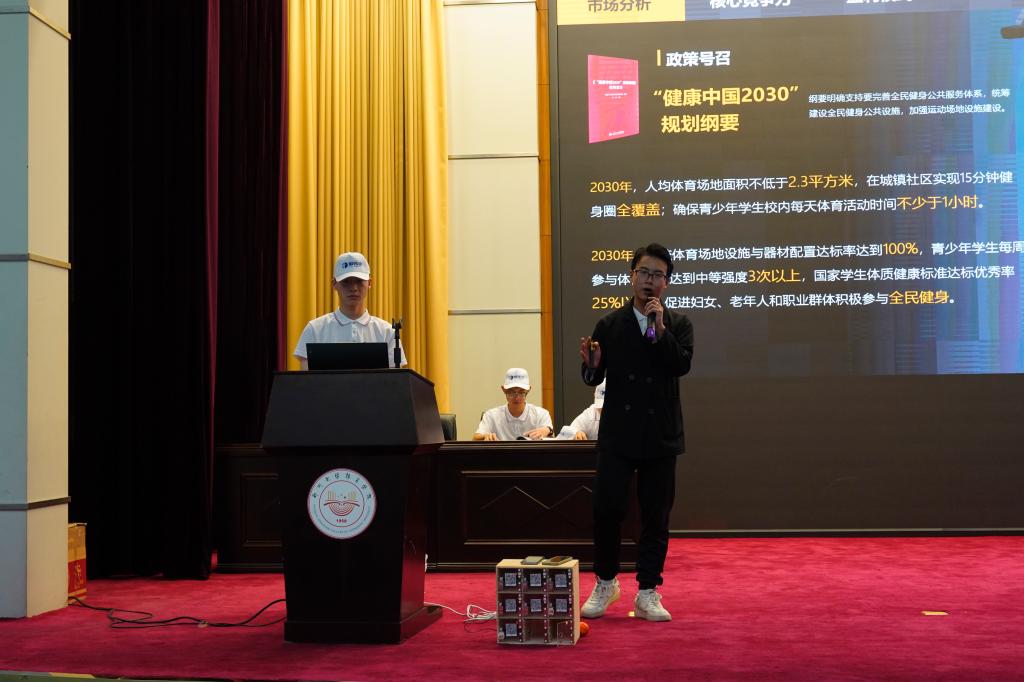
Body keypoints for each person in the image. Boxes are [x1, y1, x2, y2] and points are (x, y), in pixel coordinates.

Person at [578, 243, 694, 622]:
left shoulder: (678, 325)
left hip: (661, 433)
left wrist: (660, 330)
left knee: (655, 515)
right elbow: (593, 375)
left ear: (666, 284)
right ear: (632, 276)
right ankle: (606, 582)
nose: (650, 281)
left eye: (658, 275)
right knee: (606, 509)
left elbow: (680, 365)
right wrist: (592, 366)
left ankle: (647, 592)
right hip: (619, 434)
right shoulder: (610, 325)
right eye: (644, 272)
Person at [293, 251, 406, 369]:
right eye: (346, 282)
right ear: (334, 284)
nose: (354, 288)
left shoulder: (387, 332)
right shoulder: (315, 330)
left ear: (369, 283)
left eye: (359, 281)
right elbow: (307, 377)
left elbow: (395, 378)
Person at [473, 368, 554, 441]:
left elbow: (551, 439)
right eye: (511, 392)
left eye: (521, 392)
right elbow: (475, 438)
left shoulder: (541, 414)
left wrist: (548, 430)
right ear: (504, 390)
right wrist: (485, 436)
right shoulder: (491, 415)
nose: (516, 397)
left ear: (528, 390)